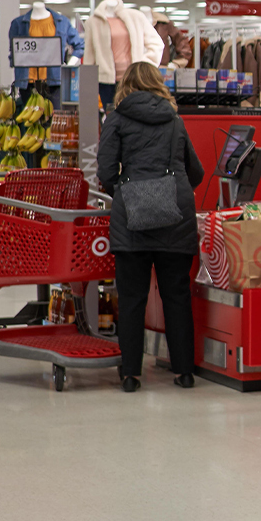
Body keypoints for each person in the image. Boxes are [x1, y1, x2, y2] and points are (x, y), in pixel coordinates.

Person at [96, 61, 204, 392]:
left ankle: (131, 374)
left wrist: (129, 192)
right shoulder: (174, 121)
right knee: (177, 294)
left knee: (131, 298)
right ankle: (184, 372)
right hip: (176, 215)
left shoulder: (116, 119)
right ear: (158, 83)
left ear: (125, 85)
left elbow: (105, 171)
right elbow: (195, 171)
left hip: (133, 220)